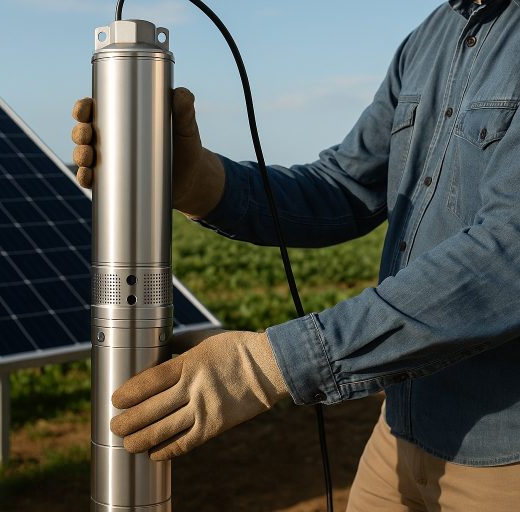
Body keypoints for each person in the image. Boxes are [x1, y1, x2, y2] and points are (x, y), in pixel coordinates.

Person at [71, 0, 520, 510]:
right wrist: (200, 181)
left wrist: (271, 365)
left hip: (506, 462)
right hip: (399, 433)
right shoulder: (430, 38)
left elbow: (508, 256)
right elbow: (346, 187)